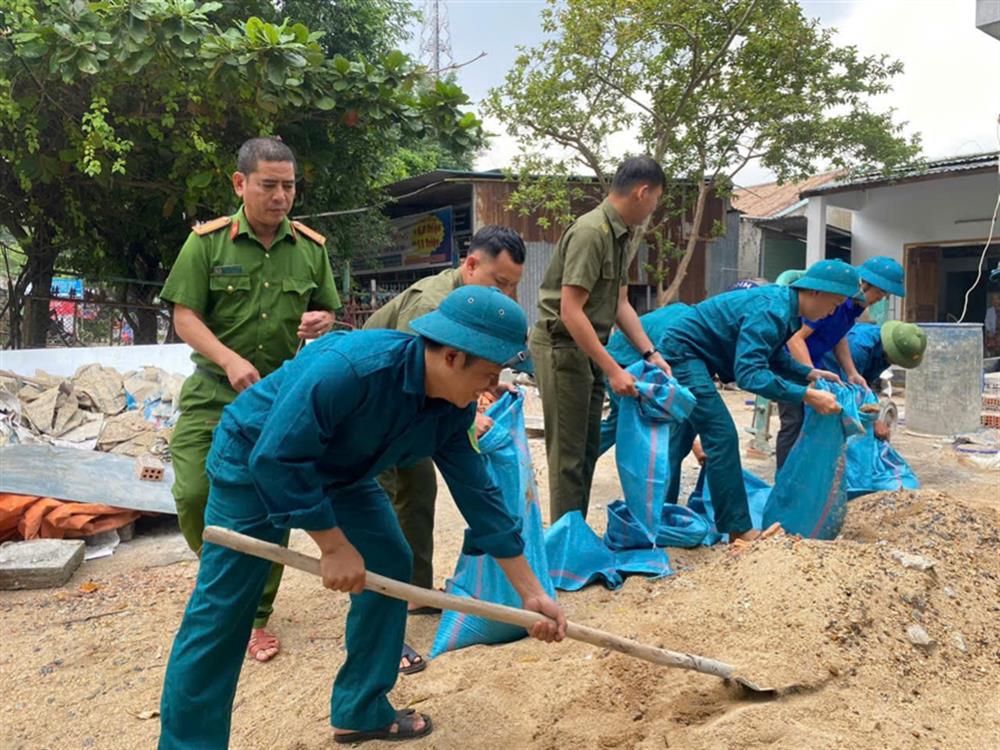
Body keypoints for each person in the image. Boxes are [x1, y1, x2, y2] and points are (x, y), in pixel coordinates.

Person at [158, 286, 566, 748]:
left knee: (389, 560)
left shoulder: (452, 409)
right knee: (224, 610)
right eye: (489, 374)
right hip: (255, 462)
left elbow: (480, 496)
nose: (491, 388)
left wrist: (531, 593)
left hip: (341, 471)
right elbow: (276, 459)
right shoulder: (353, 369)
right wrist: (333, 546)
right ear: (452, 357)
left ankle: (360, 710)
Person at [159, 137, 341, 662]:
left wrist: (321, 323)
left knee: (272, 503)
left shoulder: (312, 248)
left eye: (288, 186)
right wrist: (229, 360)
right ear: (240, 184)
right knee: (194, 492)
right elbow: (184, 316)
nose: (281, 196)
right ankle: (222, 572)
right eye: (269, 185)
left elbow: (326, 311)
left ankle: (254, 616)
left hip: (276, 402)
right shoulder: (207, 244)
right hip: (215, 392)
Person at [363, 225, 527, 674]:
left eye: (513, 285)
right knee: (382, 521)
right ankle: (380, 630)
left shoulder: (474, 306)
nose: (508, 294)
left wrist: (485, 388)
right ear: (470, 264)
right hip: (377, 417)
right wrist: (468, 411)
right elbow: (418, 371)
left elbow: (463, 371)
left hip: (412, 414)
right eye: (500, 283)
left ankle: (411, 596)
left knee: (419, 496)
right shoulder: (431, 302)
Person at [655, 259, 861, 542]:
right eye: (835, 302)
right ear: (816, 291)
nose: (833, 311)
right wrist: (808, 395)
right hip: (684, 354)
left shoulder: (787, 311)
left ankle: (656, 516)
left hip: (699, 357)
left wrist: (809, 372)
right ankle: (738, 528)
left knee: (678, 439)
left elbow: (774, 357)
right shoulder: (772, 309)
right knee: (721, 434)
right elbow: (750, 374)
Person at [531, 156, 672, 523]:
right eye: (656, 199)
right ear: (642, 192)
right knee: (568, 456)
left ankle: (573, 532)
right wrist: (613, 370)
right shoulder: (592, 232)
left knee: (587, 447)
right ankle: (565, 547)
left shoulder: (620, 235)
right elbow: (571, 311)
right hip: (563, 347)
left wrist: (649, 352)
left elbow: (621, 303)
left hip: (588, 349)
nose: (654, 208)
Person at [775, 256, 905, 469]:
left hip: (811, 367)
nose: (881, 299)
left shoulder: (855, 306)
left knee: (815, 422)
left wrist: (852, 372)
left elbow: (839, 337)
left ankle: (806, 474)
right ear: (864, 284)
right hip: (790, 366)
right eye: (880, 293)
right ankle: (785, 481)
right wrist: (811, 374)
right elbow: (795, 338)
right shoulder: (834, 298)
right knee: (794, 423)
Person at [820, 320, 927, 440]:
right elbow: (850, 393)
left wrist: (873, 411)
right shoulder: (859, 347)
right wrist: (875, 422)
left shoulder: (885, 354)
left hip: (847, 380)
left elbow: (865, 386)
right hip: (825, 374)